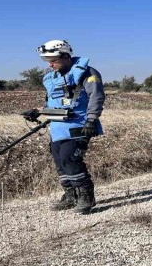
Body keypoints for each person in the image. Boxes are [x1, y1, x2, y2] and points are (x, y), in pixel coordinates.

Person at [23, 40, 105, 214]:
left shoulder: (88, 73)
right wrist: (38, 111)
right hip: (58, 127)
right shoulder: (53, 77)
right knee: (60, 161)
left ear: (66, 56)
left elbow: (96, 98)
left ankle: (86, 197)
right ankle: (70, 195)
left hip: (80, 125)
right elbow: (53, 102)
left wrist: (91, 120)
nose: (50, 64)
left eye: (53, 60)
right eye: (47, 61)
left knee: (71, 158)